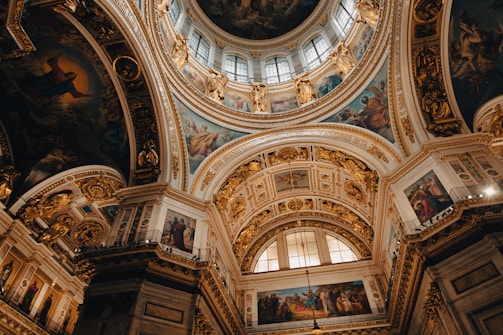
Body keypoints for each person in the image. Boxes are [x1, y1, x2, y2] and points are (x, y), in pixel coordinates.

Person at [22, 54, 91, 100]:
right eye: (71, 73)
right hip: (42, 81)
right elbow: (52, 63)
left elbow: (75, 94)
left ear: (71, 78)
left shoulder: (69, 84)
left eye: (72, 75)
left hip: (48, 88)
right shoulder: (60, 72)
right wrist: (56, 57)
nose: (70, 75)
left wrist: (85, 96)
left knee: (37, 93)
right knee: (31, 84)